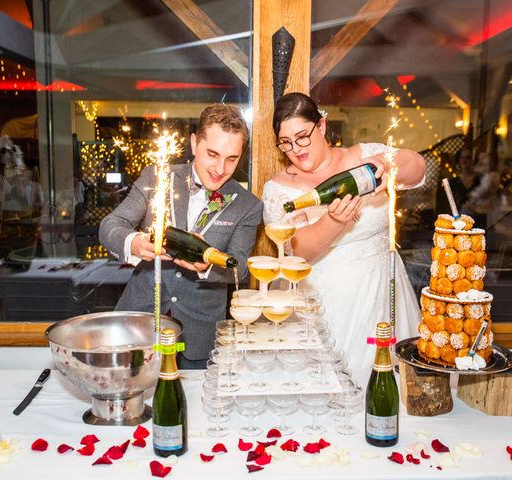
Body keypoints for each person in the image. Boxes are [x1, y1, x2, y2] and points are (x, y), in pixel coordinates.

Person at [262, 92, 426, 381]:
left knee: (387, 385)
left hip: (381, 292)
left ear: (322, 126)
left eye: (302, 136)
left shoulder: (362, 156)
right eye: (285, 143)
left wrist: (390, 163)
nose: (296, 149)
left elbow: (417, 169)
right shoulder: (278, 189)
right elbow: (298, 253)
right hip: (325, 305)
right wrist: (335, 221)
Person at [100, 104, 263, 369]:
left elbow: (241, 266)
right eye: (212, 154)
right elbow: (111, 225)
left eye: (232, 159)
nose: (220, 168)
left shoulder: (248, 205)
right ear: (194, 143)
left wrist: (209, 266)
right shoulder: (157, 178)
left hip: (200, 336)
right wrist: (135, 243)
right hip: (140, 325)